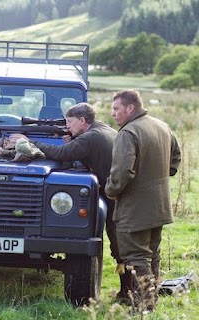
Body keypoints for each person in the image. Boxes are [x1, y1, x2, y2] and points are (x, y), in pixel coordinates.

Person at [105, 89, 181, 311]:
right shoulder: (161, 125)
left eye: (116, 109)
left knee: (137, 258)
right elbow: (175, 158)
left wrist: (110, 190)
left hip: (135, 209)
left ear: (130, 108)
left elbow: (121, 173)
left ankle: (144, 308)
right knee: (152, 256)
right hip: (159, 207)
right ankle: (149, 305)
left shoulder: (128, 133)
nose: (113, 114)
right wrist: (157, 178)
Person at [33, 102, 122, 288]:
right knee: (121, 243)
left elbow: (61, 153)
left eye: (70, 122)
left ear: (82, 120)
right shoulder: (102, 129)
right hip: (119, 191)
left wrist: (32, 143)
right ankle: (129, 289)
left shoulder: (90, 137)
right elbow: (86, 153)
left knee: (120, 244)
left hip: (116, 195)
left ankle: (130, 292)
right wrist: (73, 141)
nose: (67, 126)